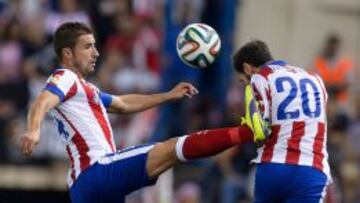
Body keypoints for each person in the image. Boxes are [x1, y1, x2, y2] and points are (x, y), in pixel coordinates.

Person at [19, 22, 265, 203]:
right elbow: (42, 101)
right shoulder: (65, 77)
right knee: (171, 148)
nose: (96, 52)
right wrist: (33, 131)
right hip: (98, 170)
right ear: (67, 54)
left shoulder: (84, 89)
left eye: (95, 46)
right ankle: (247, 133)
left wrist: (167, 95)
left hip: (84, 188)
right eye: (88, 47)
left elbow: (123, 104)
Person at [233, 40, 331, 203]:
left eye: (243, 81)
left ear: (247, 68)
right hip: (312, 169)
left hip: (274, 166)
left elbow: (260, 131)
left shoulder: (259, 78)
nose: (245, 85)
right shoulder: (316, 78)